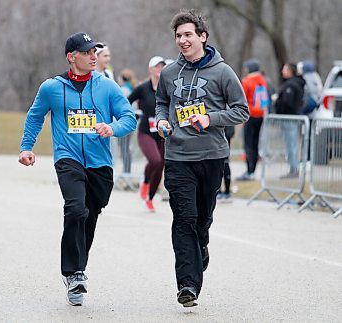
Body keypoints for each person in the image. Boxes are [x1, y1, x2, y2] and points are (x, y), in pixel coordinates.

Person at [18, 32, 136, 306]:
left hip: (100, 163)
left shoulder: (106, 87)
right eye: (87, 52)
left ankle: (78, 270)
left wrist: (112, 128)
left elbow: (128, 118)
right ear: (72, 57)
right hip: (68, 157)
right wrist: (26, 147)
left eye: (95, 51)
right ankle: (73, 273)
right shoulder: (51, 87)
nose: (93, 56)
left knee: (90, 215)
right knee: (75, 208)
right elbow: (35, 116)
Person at [155, 9, 249, 307]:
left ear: (202, 37)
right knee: (184, 218)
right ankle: (188, 285)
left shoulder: (223, 72)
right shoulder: (170, 73)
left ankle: (201, 247)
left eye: (188, 35)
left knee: (202, 221)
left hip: (211, 156)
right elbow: (161, 103)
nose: (182, 40)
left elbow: (241, 110)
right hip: (178, 156)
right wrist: (161, 122)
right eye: (178, 36)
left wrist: (211, 118)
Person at [128, 56, 166, 212]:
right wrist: (130, 115)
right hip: (145, 132)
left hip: (162, 132)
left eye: (162, 66)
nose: (160, 69)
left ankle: (150, 198)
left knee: (162, 163)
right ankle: (145, 181)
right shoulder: (143, 88)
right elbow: (126, 101)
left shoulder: (167, 88)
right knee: (155, 160)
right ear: (151, 69)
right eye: (157, 66)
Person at [236, 59, 270, 181]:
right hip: (260, 114)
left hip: (249, 115)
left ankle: (249, 171)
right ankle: (252, 170)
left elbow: (242, 98)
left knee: (248, 144)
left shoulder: (246, 81)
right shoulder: (263, 81)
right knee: (255, 144)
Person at [274, 62, 305, 178]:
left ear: (290, 71)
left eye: (285, 69)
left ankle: (294, 170)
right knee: (291, 144)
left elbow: (288, 103)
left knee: (291, 145)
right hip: (291, 118)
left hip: (289, 118)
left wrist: (278, 106)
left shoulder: (292, 85)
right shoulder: (293, 83)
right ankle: (293, 168)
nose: (282, 71)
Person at [217, 125, 235, 202]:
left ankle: (225, 191)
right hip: (223, 130)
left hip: (222, 130)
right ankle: (221, 191)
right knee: (222, 162)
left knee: (223, 162)